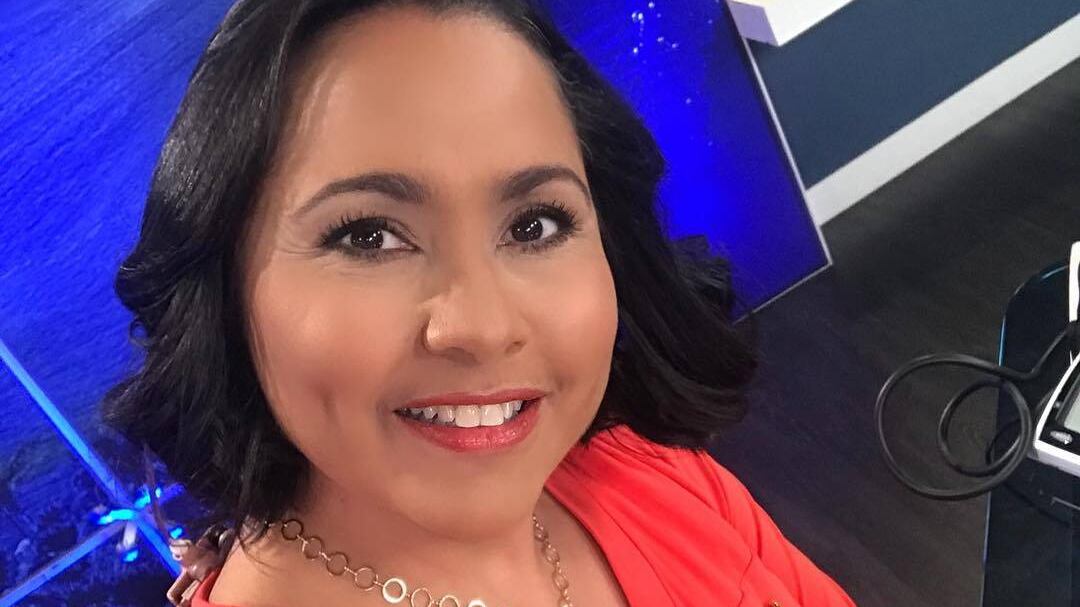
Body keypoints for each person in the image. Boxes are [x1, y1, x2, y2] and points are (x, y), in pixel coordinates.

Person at [103, 1, 858, 606]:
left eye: (535, 225)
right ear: (227, 292)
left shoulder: (648, 474)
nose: (485, 327)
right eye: (369, 236)